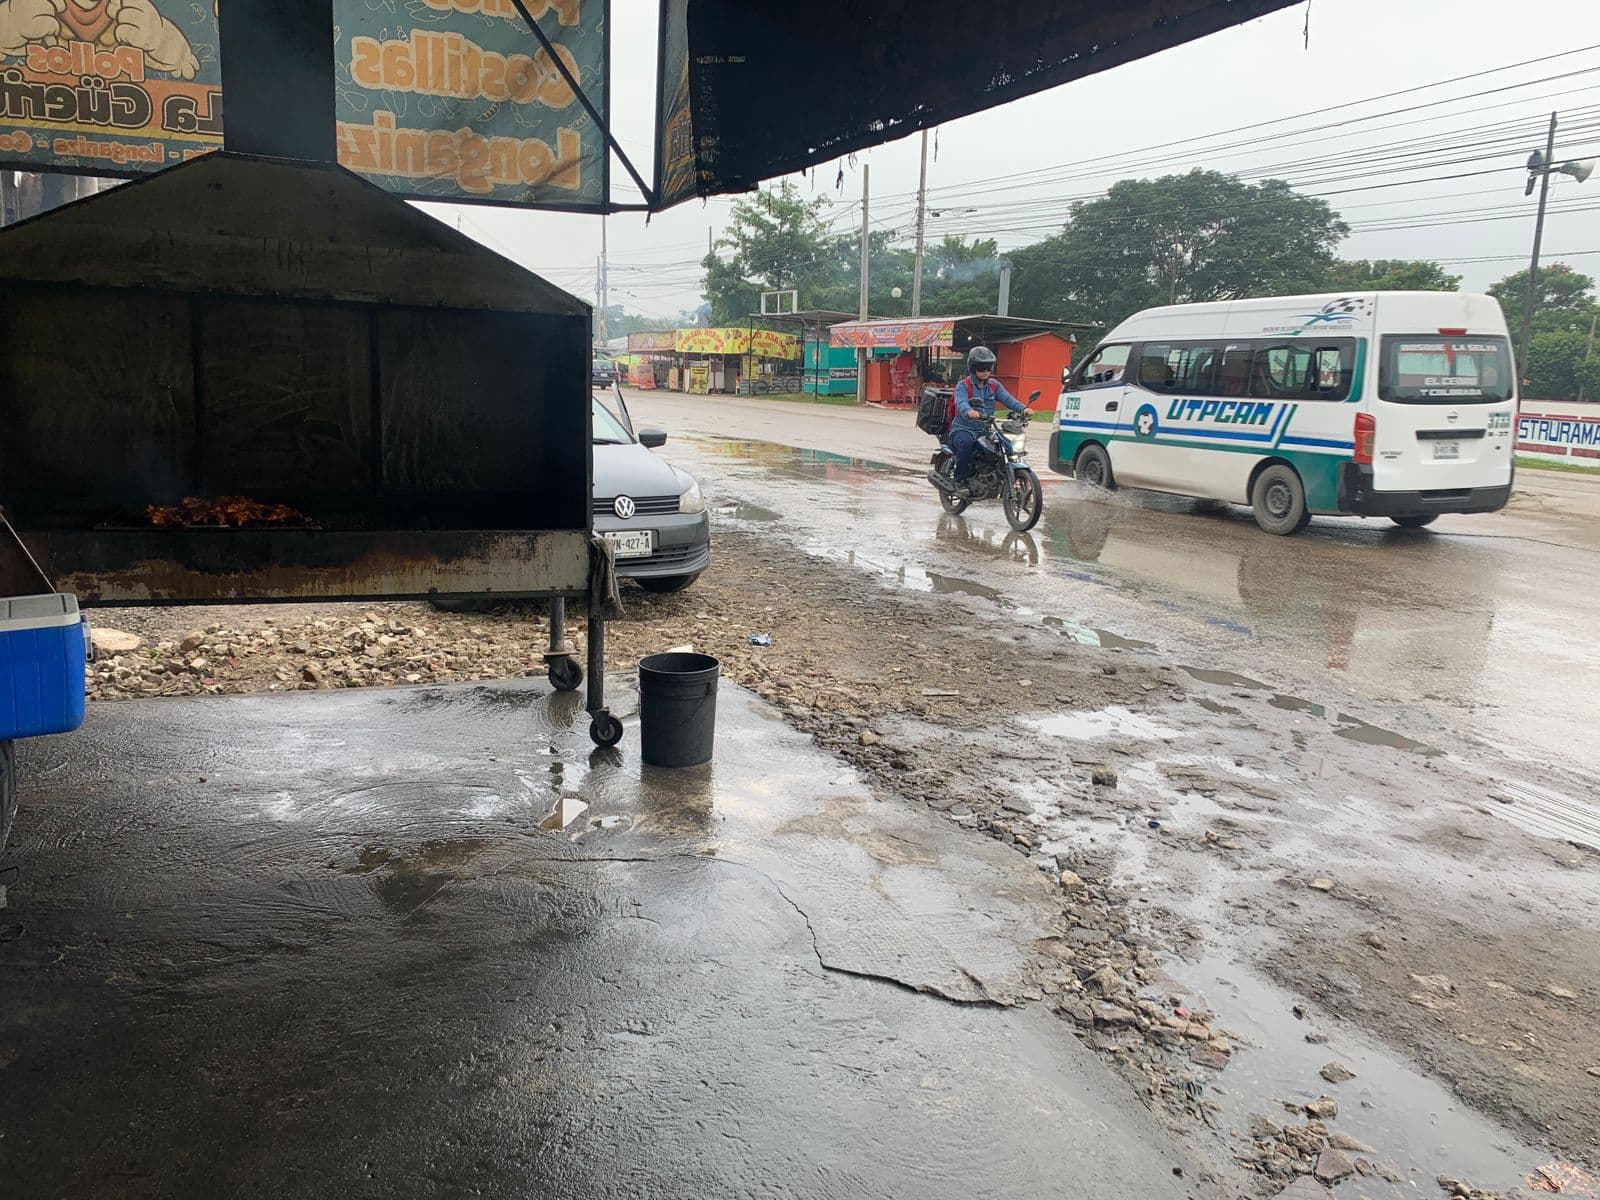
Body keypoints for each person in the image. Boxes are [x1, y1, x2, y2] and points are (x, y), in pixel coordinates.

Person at [950, 346, 1029, 495]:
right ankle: (959, 481)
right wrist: (969, 411)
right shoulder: (963, 385)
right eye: (981, 369)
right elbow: (960, 402)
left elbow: (1007, 399)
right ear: (973, 369)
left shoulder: (994, 385)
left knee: (1003, 446)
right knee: (966, 445)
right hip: (964, 428)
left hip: (985, 429)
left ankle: (997, 477)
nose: (986, 372)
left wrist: (1022, 409)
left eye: (988, 368)